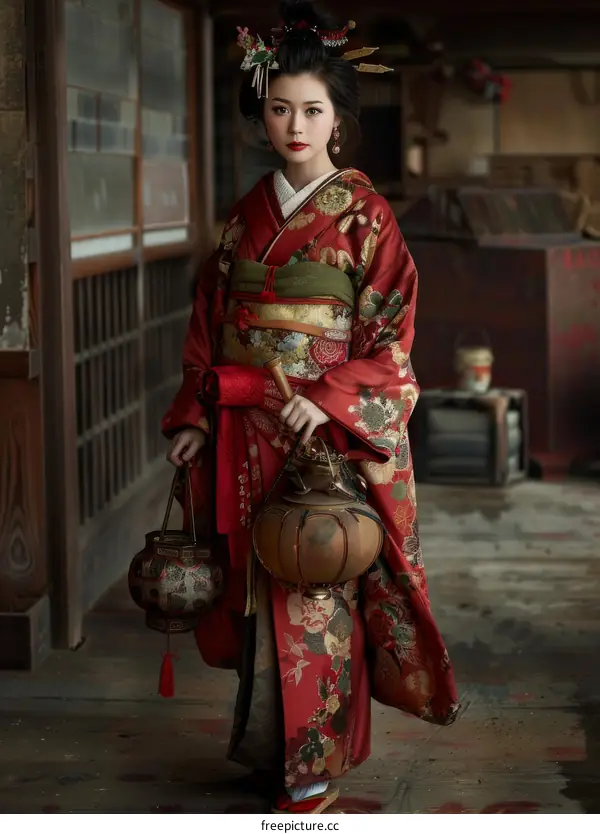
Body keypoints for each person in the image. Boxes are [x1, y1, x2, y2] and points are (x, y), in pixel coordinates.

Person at [163, 0, 459, 814]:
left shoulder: (366, 216)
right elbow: (210, 321)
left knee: (315, 590)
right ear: (262, 113)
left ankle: (315, 762)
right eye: (280, 107)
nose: (296, 125)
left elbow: (390, 340)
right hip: (241, 433)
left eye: (313, 109)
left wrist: (329, 399)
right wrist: (194, 414)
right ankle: (267, 751)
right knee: (255, 595)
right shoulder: (242, 218)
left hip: (316, 435)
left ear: (340, 120)